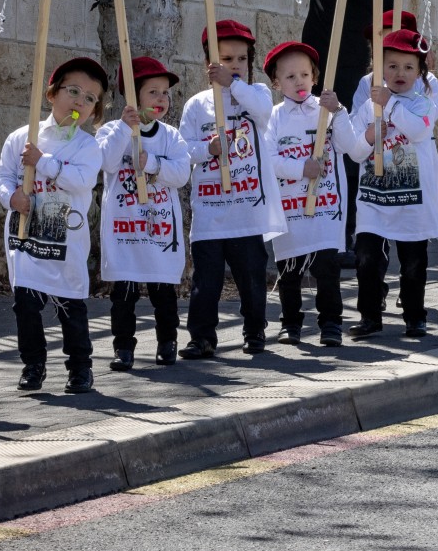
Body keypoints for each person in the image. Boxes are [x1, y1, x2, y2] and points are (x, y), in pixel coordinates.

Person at [0, 57, 105, 393]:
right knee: (26, 303)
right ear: (51, 94)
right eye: (73, 91)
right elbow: (2, 175)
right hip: (27, 235)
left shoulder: (88, 146)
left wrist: (43, 162)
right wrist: (10, 196)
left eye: (90, 98)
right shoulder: (22, 138)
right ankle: (33, 364)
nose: (80, 102)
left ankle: (80, 367)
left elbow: (82, 180)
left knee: (70, 302)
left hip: (66, 240)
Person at [179, 20, 280, 358]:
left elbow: (263, 112)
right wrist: (208, 149)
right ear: (210, 62)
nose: (234, 65)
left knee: (251, 276)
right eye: (226, 59)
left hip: (246, 209)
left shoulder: (257, 95)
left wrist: (234, 85)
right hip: (210, 211)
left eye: (240, 59)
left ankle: (255, 330)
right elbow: (184, 152)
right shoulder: (196, 106)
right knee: (205, 281)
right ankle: (202, 336)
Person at [266, 41, 370, 346]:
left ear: (315, 77)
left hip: (325, 206)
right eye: (289, 77)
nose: (298, 82)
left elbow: (349, 146)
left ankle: (330, 324)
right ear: (276, 83)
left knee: (327, 269)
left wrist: (338, 112)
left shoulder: (328, 111)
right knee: (290, 270)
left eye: (304, 74)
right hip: (290, 209)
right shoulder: (274, 118)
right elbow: (269, 160)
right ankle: (291, 323)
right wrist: (300, 168)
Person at [349, 29, 438, 337]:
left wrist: (390, 105)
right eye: (391, 66)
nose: (399, 73)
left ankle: (415, 315)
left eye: (408, 67)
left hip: (412, 197)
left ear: (419, 71)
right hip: (375, 196)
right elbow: (354, 151)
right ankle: (369, 315)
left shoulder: (424, 101)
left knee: (414, 261)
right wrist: (369, 135)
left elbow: (417, 130)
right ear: (379, 69)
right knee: (366, 257)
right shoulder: (368, 106)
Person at [98, 57, 191, 370]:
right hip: (125, 231)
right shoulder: (112, 131)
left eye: (165, 92)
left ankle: (167, 341)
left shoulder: (171, 136)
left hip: (158, 231)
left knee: (163, 292)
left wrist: (151, 163)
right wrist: (125, 128)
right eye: (153, 92)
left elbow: (180, 174)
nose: (162, 99)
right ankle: (123, 347)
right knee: (123, 295)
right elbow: (106, 163)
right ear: (133, 96)